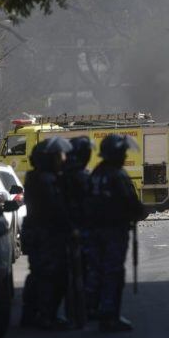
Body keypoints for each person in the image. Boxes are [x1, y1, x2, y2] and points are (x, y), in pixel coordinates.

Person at [85, 134, 144, 332]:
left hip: (93, 232)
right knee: (113, 273)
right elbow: (132, 204)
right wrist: (139, 212)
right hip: (113, 232)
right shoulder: (118, 175)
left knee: (95, 271)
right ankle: (109, 316)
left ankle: (92, 308)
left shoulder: (96, 173)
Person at [20, 137, 71, 330]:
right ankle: (46, 315)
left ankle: (32, 313)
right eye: (59, 157)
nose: (62, 160)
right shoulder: (45, 180)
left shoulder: (34, 177)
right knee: (51, 276)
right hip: (46, 234)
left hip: (38, 233)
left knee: (38, 275)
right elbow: (55, 208)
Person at [61, 136, 93, 327]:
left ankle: (73, 313)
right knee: (81, 275)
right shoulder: (81, 177)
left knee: (70, 276)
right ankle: (80, 313)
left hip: (64, 232)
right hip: (80, 232)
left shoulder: (60, 175)